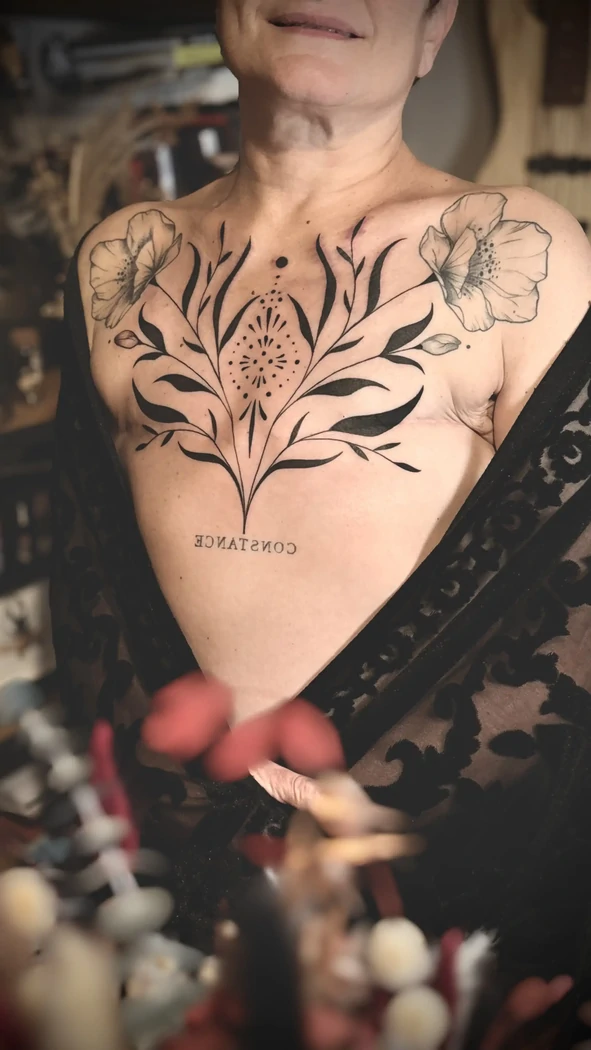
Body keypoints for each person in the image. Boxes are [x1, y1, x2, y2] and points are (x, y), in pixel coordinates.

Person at [51, 0, 591, 1041]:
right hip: (161, 901)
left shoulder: (517, 246)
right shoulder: (119, 258)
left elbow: (569, 604)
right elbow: (88, 598)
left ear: (434, 30)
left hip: (406, 914)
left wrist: (363, 824)